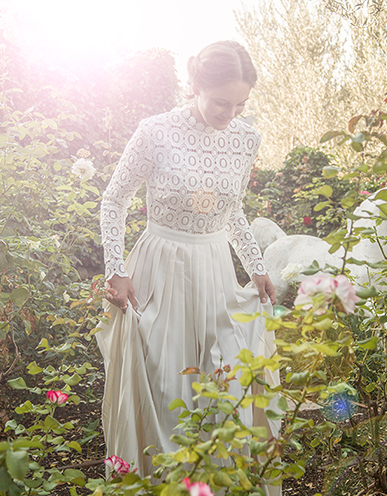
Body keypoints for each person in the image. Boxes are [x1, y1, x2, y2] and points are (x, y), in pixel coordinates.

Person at [96, 40, 280, 478]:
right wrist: (116, 270)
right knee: (164, 383)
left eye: (240, 104)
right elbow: (113, 200)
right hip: (161, 267)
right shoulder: (155, 132)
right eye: (221, 102)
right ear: (196, 85)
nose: (229, 114)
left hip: (215, 269)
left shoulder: (246, 138)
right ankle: (160, 480)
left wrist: (255, 265)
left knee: (222, 382)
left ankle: (214, 481)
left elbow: (233, 208)